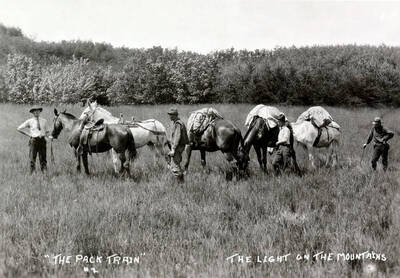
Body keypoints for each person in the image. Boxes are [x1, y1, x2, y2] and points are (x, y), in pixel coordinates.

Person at [17, 106, 51, 173]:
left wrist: (48, 138)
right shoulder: (30, 121)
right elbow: (19, 128)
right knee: (32, 158)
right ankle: (32, 173)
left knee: (43, 158)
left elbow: (47, 131)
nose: (36, 112)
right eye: (34, 111)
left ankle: (44, 173)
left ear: (40, 112)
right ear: (32, 113)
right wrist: (29, 135)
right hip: (34, 141)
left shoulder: (44, 121)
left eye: (38, 111)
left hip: (42, 140)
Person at [167, 108, 189, 182]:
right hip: (177, 147)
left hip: (177, 147)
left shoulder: (178, 124)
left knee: (175, 165)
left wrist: (173, 149)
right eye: (169, 115)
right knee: (176, 163)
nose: (169, 116)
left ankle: (180, 183)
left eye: (171, 115)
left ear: (175, 115)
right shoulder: (175, 122)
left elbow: (177, 137)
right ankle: (181, 181)